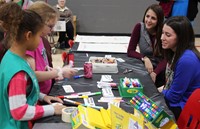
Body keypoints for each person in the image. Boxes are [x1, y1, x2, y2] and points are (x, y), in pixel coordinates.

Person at [0, 3, 66, 129]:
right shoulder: (18, 72)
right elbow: (20, 112)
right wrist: (52, 109)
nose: (41, 40)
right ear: (29, 35)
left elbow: (26, 89)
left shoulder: (14, 57)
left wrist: (43, 96)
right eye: (38, 35)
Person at [26, 1, 77, 94]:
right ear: (38, 23)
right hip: (37, 97)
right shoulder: (30, 44)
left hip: (44, 94)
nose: (52, 30)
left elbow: (42, 66)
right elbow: (32, 75)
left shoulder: (41, 40)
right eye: (50, 26)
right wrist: (58, 72)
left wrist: (51, 71)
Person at [158, 16, 200, 120]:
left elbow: (173, 97)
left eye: (168, 35)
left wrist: (161, 91)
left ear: (180, 37)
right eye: (162, 33)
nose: (162, 38)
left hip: (183, 108)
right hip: (176, 101)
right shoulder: (174, 52)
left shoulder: (187, 60)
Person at [127, 4, 166, 87]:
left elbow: (167, 58)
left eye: (153, 18)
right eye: (147, 16)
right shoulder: (139, 27)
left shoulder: (164, 31)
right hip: (145, 67)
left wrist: (155, 73)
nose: (148, 20)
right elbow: (130, 51)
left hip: (160, 70)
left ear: (159, 20)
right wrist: (145, 58)